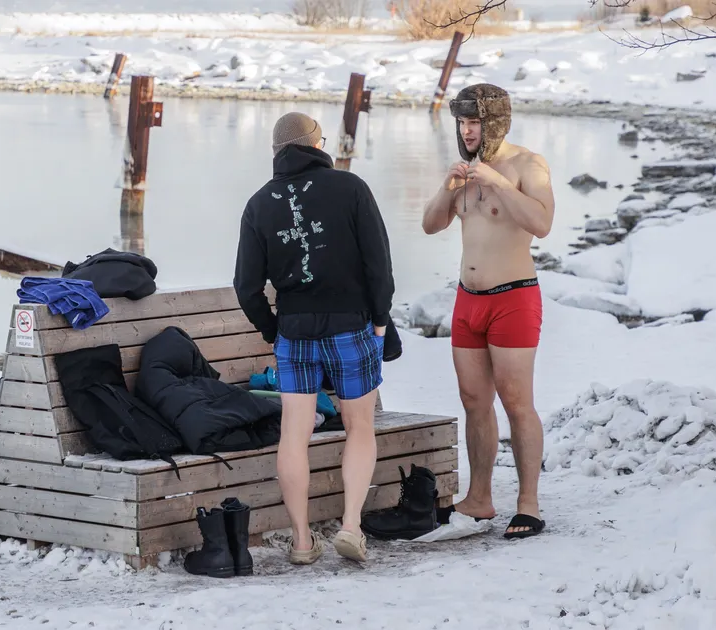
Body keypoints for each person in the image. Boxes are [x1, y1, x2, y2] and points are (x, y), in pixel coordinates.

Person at [234, 112, 394, 564]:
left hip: (295, 332)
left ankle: (302, 540)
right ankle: (351, 526)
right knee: (359, 425)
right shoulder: (351, 187)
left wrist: (273, 330)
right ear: (317, 144)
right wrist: (380, 321)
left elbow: (246, 287)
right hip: (351, 326)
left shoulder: (259, 204)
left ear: (277, 151)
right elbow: (379, 265)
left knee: (294, 433)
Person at [421, 83, 555, 539]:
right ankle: (479, 498)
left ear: (494, 123)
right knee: (474, 401)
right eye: (462, 122)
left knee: (517, 402)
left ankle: (528, 504)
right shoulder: (464, 171)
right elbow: (430, 224)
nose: (467, 131)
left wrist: (497, 183)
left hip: (513, 298)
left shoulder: (528, 165)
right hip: (468, 300)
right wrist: (448, 187)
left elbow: (542, 223)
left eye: (474, 122)